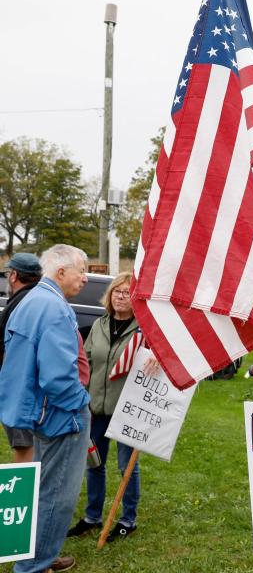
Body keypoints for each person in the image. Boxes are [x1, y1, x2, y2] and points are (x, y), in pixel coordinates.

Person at [0, 244, 92, 573]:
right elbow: (57, 376)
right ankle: (33, 567)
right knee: (56, 496)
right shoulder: (53, 307)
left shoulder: (28, 301)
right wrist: (81, 405)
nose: (86, 277)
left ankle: (36, 558)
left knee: (41, 491)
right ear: (61, 271)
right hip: (57, 416)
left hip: (34, 413)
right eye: (81, 270)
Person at [66, 272, 142, 542]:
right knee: (94, 463)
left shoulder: (144, 330)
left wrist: (155, 356)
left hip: (127, 412)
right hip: (95, 410)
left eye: (127, 292)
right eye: (117, 291)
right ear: (110, 296)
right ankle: (92, 516)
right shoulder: (99, 325)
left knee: (126, 467)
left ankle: (127, 519)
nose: (121, 296)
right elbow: (84, 362)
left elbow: (159, 357)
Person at [1, 253, 43, 463]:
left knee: (24, 447)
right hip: (32, 386)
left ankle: (22, 495)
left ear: (14, 275)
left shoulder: (23, 302)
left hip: (21, 387)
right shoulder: (41, 298)